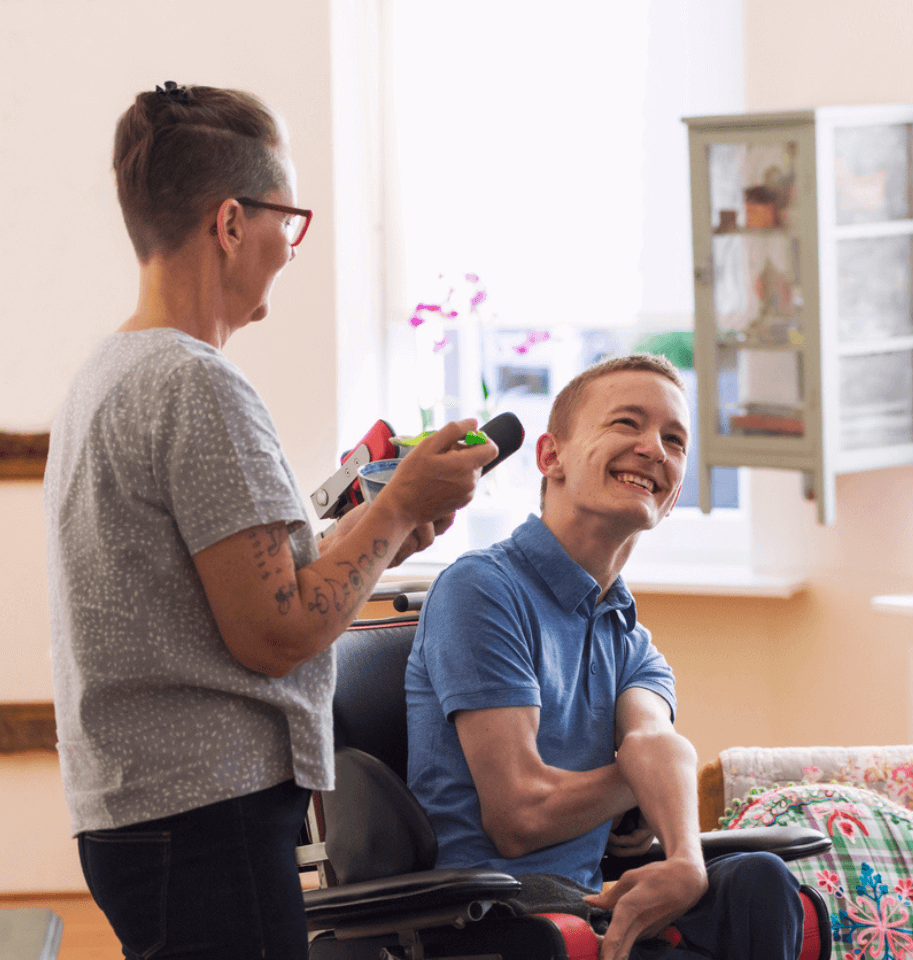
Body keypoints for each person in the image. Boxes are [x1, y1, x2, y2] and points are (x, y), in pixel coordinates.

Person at [43, 81, 497, 960]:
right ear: (229, 223)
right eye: (288, 222)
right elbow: (276, 629)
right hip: (205, 814)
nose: (291, 249)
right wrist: (399, 503)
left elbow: (238, 595)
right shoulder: (196, 385)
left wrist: (389, 529)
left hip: (143, 809)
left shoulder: (110, 372)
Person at [406, 354, 806, 960]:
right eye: (626, 424)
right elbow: (519, 816)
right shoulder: (481, 588)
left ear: (671, 497)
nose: (654, 448)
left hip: (583, 902)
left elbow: (656, 742)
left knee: (760, 882)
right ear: (550, 457)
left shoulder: (629, 638)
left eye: (674, 439)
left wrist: (685, 862)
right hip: (493, 913)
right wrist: (642, 786)